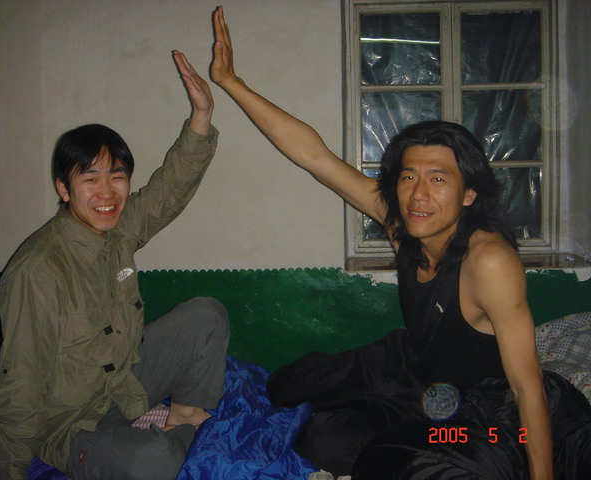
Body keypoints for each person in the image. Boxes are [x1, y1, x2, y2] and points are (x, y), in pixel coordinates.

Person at [209, 6, 591, 480]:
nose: (418, 194)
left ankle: (411, 433)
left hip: (480, 409)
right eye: (409, 177)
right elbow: (313, 155)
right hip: (410, 367)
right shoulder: (403, 222)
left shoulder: (489, 260)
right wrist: (231, 82)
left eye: (438, 178)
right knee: (286, 386)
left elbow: (526, 386)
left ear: (469, 194)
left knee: (349, 449)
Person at [0, 50, 230, 480]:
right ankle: (169, 441)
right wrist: (9, 469)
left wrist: (201, 116)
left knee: (206, 315)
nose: (107, 192)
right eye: (90, 179)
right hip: (69, 422)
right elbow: (20, 378)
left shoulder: (117, 229)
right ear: (64, 188)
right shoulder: (37, 270)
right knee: (152, 461)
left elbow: (169, 190)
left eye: (117, 177)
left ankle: (182, 417)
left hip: (123, 384)